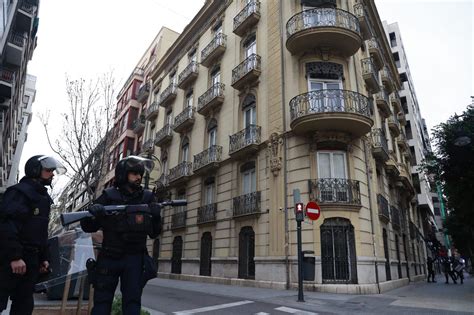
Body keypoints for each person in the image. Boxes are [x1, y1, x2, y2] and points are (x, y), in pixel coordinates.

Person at [80, 156, 162, 315]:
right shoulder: (109, 196)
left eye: (140, 174)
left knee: (132, 303)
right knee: (102, 304)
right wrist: (94, 214)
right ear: (123, 174)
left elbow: (154, 233)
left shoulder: (147, 198)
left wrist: (157, 216)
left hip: (135, 259)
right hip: (109, 257)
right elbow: (88, 227)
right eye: (134, 174)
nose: (139, 177)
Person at [0, 155, 66, 314]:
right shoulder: (19, 193)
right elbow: (7, 225)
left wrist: (44, 258)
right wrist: (15, 257)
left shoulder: (42, 197)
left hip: (30, 259)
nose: (52, 174)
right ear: (35, 170)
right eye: (48, 170)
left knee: (23, 305)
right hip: (12, 259)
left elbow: (40, 232)